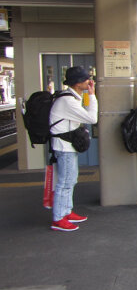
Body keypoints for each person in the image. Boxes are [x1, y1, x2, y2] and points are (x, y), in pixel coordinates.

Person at [49, 66, 98, 231]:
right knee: (65, 182)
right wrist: (92, 95)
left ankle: (67, 211)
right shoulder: (67, 101)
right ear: (77, 83)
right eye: (86, 79)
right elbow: (92, 118)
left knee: (71, 180)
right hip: (64, 147)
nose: (90, 81)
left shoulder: (71, 98)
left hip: (68, 146)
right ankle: (58, 218)